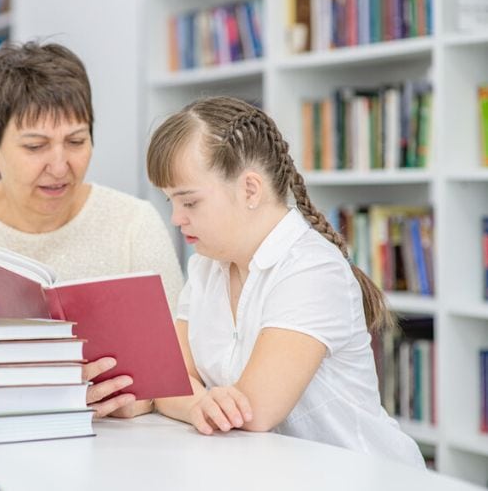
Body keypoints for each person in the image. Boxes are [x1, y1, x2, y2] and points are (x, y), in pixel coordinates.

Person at [0, 41, 182, 419]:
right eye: (35, 146)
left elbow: (180, 368)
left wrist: (141, 398)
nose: (59, 165)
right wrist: (54, 396)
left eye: (76, 141)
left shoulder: (134, 222)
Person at [147, 96, 424, 467]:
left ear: (250, 189)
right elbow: (166, 380)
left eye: (189, 202)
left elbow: (254, 412)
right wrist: (199, 403)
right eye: (170, 203)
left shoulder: (311, 269)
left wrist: (195, 400)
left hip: (361, 477)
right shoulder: (205, 268)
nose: (176, 219)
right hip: (268, 473)